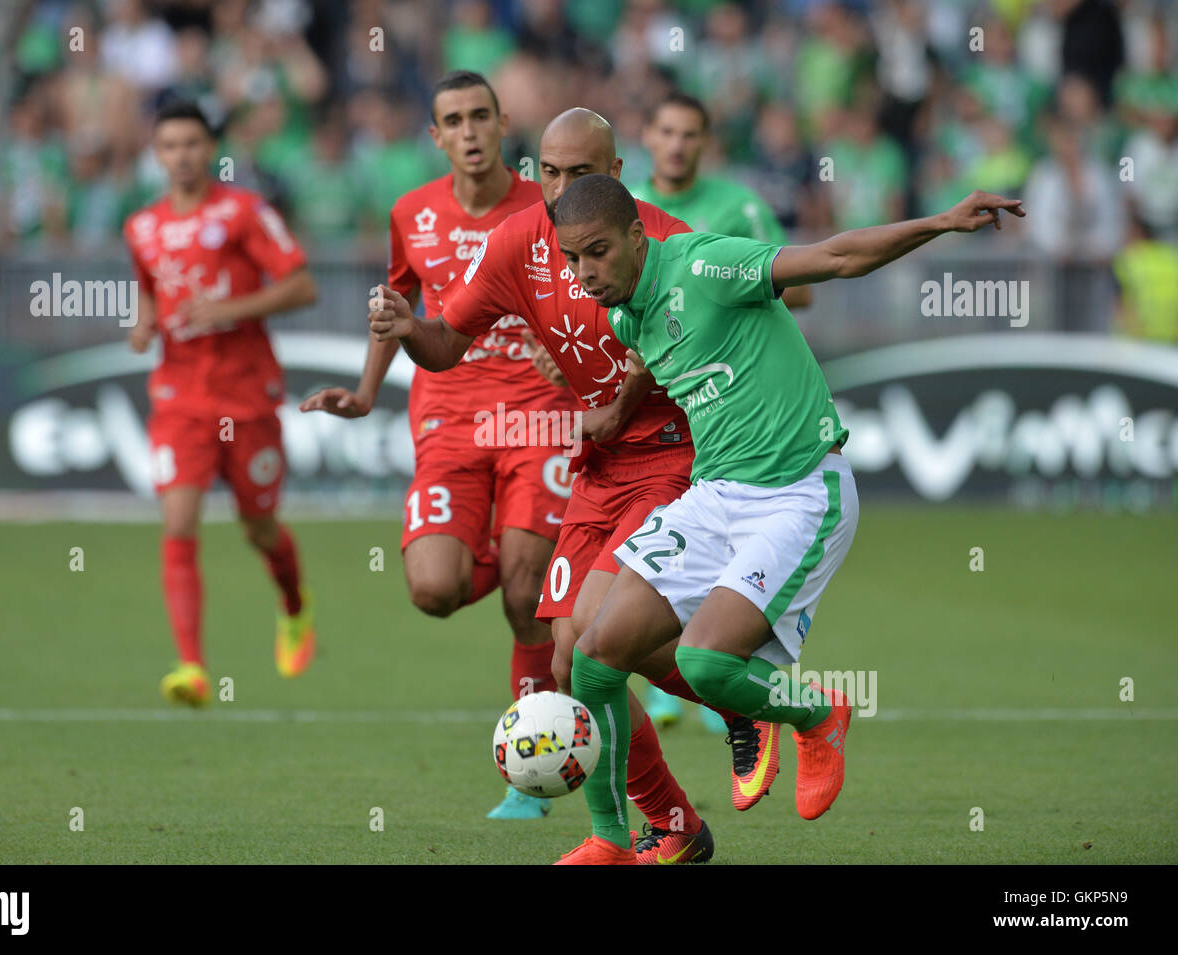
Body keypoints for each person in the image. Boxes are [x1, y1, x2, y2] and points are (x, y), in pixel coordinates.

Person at [548, 173, 1023, 863]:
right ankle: (612, 840)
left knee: (705, 663)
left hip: (799, 493)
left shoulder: (705, 263)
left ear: (636, 235)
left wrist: (941, 222)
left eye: (597, 252)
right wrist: (618, 410)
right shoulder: (628, 314)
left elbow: (833, 258)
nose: (585, 273)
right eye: (572, 259)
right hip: (715, 497)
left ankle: (818, 714)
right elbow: (657, 357)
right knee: (592, 658)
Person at [365, 108, 785, 865]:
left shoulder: (667, 238)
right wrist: (405, 326)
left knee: (593, 641)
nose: (559, 190)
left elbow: (716, 330)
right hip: (596, 468)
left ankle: (737, 717)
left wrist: (624, 396)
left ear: (617, 174)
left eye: (580, 174)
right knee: (571, 661)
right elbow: (447, 344)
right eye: (549, 173)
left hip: (671, 457)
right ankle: (679, 816)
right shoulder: (519, 242)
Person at [302, 72, 574, 821]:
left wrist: (578, 364)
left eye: (481, 116)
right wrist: (363, 392)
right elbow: (395, 310)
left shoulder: (548, 207)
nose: (469, 131)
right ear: (436, 136)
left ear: (503, 121)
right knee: (434, 590)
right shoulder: (410, 213)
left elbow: (594, 291)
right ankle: (524, 560)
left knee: (527, 596)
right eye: (453, 120)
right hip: (448, 417)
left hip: (537, 415)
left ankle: (530, 774)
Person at [124, 100, 319, 705]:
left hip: (246, 393)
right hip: (180, 399)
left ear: (211, 150)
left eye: (191, 144)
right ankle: (191, 667)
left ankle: (293, 604)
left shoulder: (244, 212)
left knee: (258, 527)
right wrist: (143, 323)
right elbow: (150, 293)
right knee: (178, 523)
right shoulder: (142, 227)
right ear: (157, 155)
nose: (181, 156)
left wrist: (227, 311)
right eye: (169, 146)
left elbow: (302, 285)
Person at [632, 89, 809, 732]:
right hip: (660, 401)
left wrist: (723, 297)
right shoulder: (629, 220)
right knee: (671, 533)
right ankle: (679, 680)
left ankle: (721, 672)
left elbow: (800, 286)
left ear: (705, 142)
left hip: (731, 404)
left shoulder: (735, 208)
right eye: (666, 130)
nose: (677, 144)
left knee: (732, 527)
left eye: (690, 134)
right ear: (645, 136)